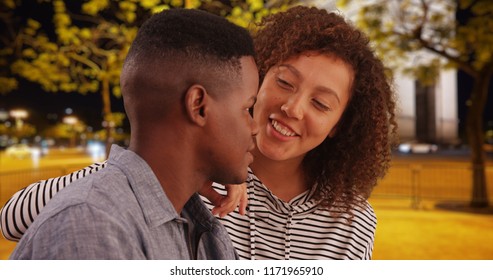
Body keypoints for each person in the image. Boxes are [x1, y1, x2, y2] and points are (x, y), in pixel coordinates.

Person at [2, 6, 397, 260]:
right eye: (285, 82)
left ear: (339, 126)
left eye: (321, 104)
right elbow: (14, 219)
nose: (293, 108)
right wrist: (170, 172)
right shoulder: (196, 177)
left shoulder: (352, 220)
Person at [7, 8, 260, 259]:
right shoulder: (93, 226)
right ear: (198, 106)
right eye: (247, 108)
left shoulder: (197, 223)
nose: (254, 126)